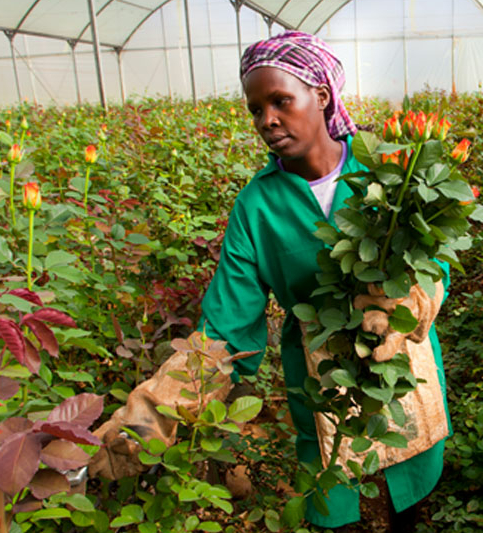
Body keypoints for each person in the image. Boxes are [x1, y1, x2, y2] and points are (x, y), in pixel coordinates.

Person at [91, 31, 451, 532]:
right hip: (323, 381)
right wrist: (152, 414)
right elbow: (227, 330)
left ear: (322, 95)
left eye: (281, 101)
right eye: (256, 110)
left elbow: (435, 266)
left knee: (407, 496)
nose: (267, 121)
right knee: (334, 503)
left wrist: (408, 304)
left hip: (400, 368)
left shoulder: (390, 170)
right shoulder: (256, 207)